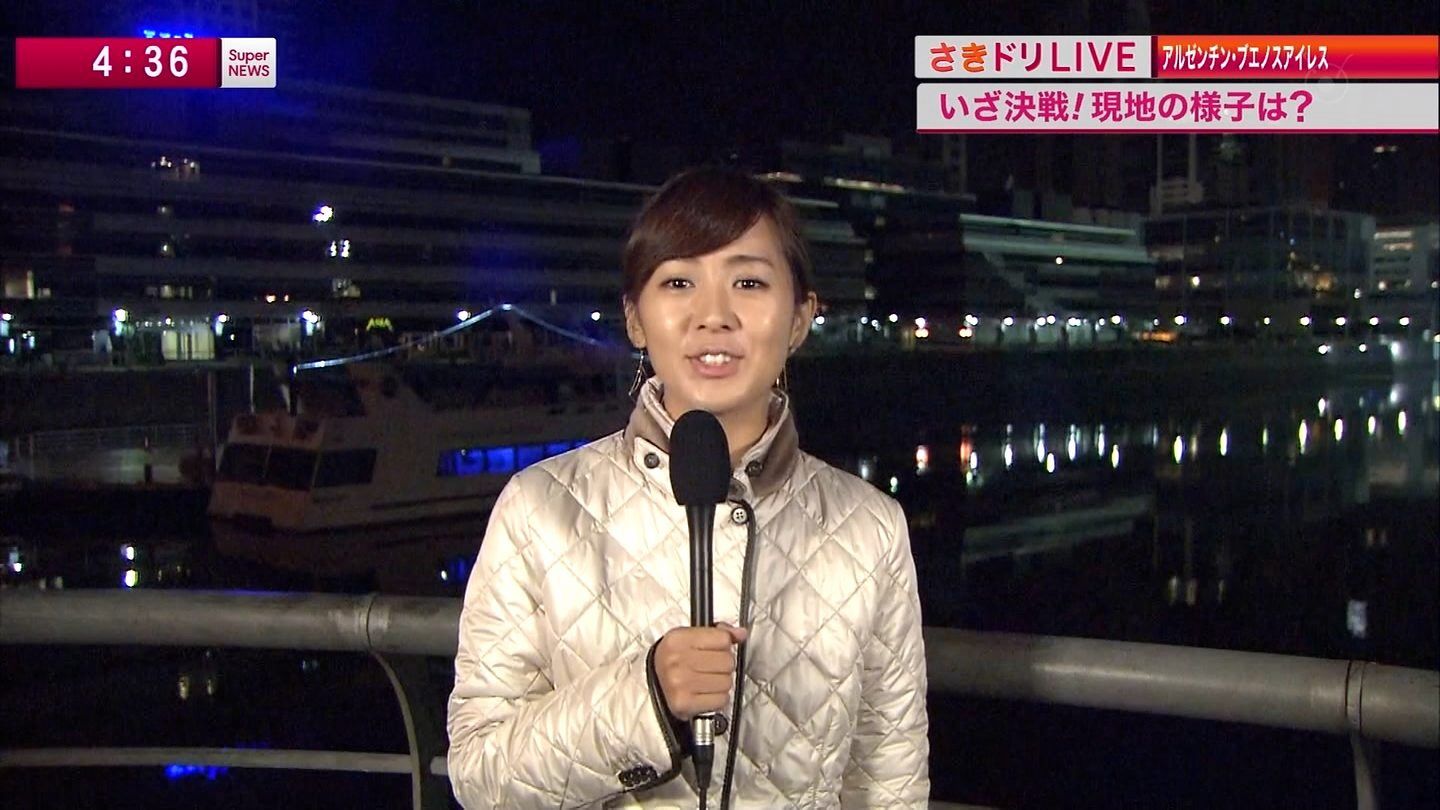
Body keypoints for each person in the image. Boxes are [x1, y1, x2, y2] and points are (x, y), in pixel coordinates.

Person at [447, 167, 929, 808]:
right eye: (678, 282)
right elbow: (479, 774)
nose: (713, 316)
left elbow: (888, 781)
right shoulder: (539, 508)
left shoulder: (871, 526)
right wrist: (645, 697)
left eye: (749, 283)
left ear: (799, 318)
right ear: (635, 318)